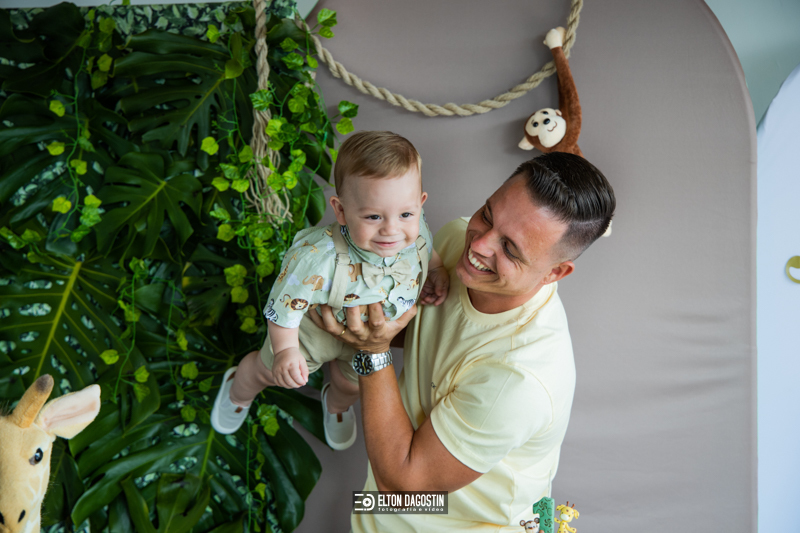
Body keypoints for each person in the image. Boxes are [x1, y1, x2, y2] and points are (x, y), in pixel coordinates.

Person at [310, 152, 615, 530]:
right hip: (388, 504)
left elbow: (405, 486)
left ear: (555, 272)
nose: (480, 245)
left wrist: (372, 351)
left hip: (456, 518)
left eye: (510, 248)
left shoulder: (519, 381)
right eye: (487, 214)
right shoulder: (455, 239)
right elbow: (432, 333)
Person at [210, 131, 450, 450]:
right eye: (373, 216)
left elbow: (426, 250)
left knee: (352, 384)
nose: (391, 230)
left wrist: (435, 269)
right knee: (266, 371)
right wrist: (285, 351)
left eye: (405, 214)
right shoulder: (316, 258)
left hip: (370, 336)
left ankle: (335, 404)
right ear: (341, 211)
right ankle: (239, 391)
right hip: (312, 331)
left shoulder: (416, 231)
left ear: (420, 204)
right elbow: (284, 308)